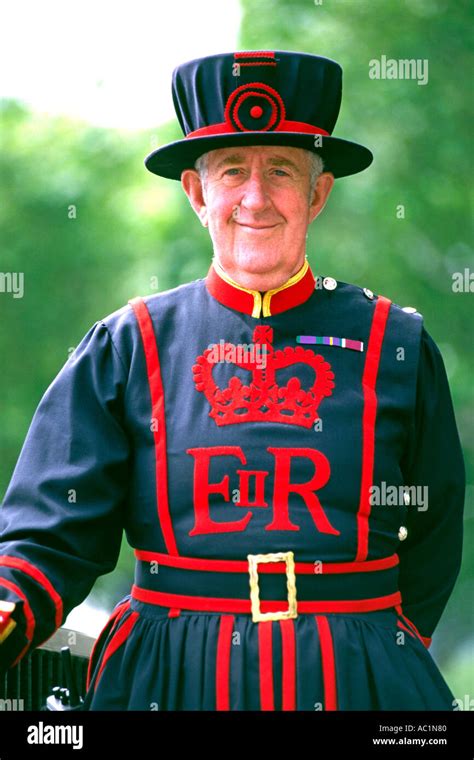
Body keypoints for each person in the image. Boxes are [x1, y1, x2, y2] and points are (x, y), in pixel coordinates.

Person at [0, 50, 465, 711]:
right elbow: (52, 530)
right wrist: (10, 606)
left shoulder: (398, 344)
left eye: (281, 170)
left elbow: (435, 528)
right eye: (231, 172)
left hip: (361, 684)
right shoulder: (127, 345)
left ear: (318, 192)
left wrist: (369, 644)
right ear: (196, 192)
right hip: (165, 681)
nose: (255, 197)